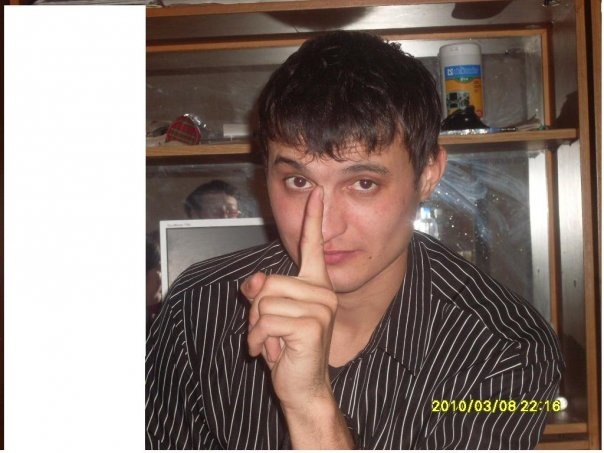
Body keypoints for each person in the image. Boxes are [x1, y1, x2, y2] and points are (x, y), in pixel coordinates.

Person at [145, 30, 563, 449]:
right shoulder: (197, 308)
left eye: (364, 183)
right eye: (297, 181)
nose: (324, 226)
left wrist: (310, 405)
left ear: (428, 175)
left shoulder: (507, 350)